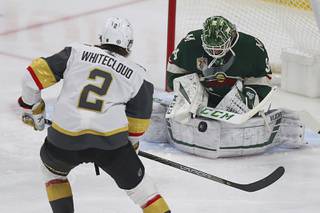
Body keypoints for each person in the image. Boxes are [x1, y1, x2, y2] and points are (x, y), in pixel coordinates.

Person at [18, 17, 170, 213]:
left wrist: (33, 108)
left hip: (63, 141)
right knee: (146, 193)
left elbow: (31, 76)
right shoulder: (139, 75)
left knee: (52, 173)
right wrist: (130, 150)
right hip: (111, 146)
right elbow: (138, 124)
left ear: (101, 38)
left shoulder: (76, 52)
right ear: (129, 45)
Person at [146, 16, 305, 158]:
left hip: (236, 94)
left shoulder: (252, 48)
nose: (215, 51)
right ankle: (199, 101)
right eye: (211, 47)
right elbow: (174, 73)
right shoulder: (191, 43)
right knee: (187, 85)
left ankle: (237, 106)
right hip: (204, 93)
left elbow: (261, 83)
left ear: (232, 37)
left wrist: (252, 101)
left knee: (250, 99)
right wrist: (188, 92)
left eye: (219, 47)